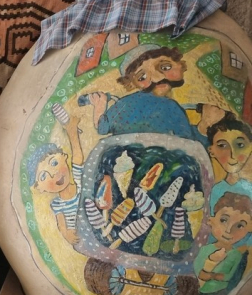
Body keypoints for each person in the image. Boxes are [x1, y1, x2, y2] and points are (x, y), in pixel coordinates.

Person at [86, 45, 222, 145]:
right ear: (132, 83)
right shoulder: (171, 107)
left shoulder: (123, 104)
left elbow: (102, 128)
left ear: (179, 65)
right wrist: (205, 125)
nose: (157, 78)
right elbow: (189, 145)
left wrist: (99, 105)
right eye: (142, 77)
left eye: (165, 68)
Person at [27, 115, 84, 245]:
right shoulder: (57, 204)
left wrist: (72, 132)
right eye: (43, 176)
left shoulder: (79, 180)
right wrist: (67, 235)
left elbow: (77, 157)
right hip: (82, 238)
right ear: (39, 187)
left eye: (54, 163)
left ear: (64, 156)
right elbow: (62, 226)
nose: (54, 174)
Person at [194, 191, 252, 295]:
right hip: (199, 292)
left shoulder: (236, 255)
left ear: (249, 229)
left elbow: (230, 276)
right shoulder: (204, 249)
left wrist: (212, 276)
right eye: (223, 220)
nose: (229, 230)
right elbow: (197, 272)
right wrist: (211, 262)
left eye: (239, 226)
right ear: (211, 220)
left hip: (220, 293)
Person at [207, 114, 252, 212]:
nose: (232, 154)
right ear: (212, 151)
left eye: (240, 145)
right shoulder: (216, 190)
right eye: (222, 146)